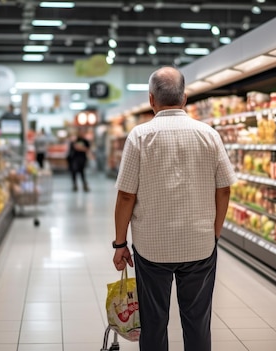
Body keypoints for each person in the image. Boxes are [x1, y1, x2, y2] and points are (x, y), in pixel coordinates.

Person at [112, 66, 237, 351]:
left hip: (151, 247)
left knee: (154, 323)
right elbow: (225, 188)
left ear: (151, 100)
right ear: (185, 98)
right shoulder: (209, 135)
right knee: (197, 321)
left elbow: (126, 196)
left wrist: (120, 243)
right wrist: (214, 234)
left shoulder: (139, 136)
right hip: (200, 245)